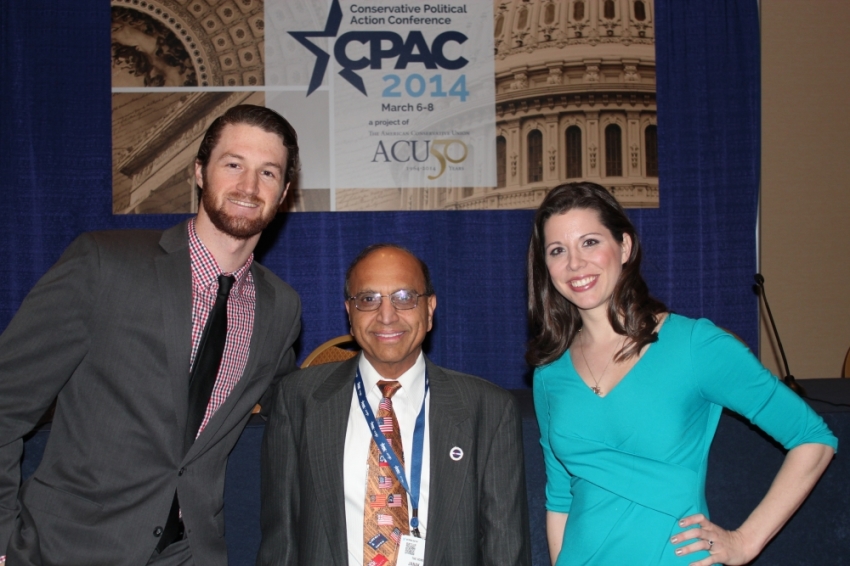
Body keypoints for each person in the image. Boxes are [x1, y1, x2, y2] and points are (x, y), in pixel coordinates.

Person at [0, 104, 302, 566]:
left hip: (190, 553)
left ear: (284, 192)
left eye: (268, 172)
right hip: (67, 549)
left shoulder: (281, 308)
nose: (248, 186)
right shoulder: (104, 265)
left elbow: (296, 407)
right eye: (233, 164)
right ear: (200, 172)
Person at [527, 182, 837, 565]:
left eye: (590, 242)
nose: (575, 263)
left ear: (624, 247)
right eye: (558, 250)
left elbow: (813, 439)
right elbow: (560, 499)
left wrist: (745, 542)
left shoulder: (694, 345)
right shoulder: (548, 375)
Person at [258, 244, 532, 566]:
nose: (386, 316)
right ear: (349, 312)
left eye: (404, 297)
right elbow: (281, 544)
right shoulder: (298, 400)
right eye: (368, 299)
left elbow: (505, 550)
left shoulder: (488, 411)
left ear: (429, 309)